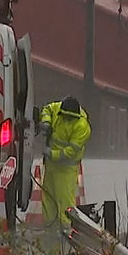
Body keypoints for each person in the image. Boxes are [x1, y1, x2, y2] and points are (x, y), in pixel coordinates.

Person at [38, 96, 91, 227]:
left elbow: (71, 152)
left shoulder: (82, 127)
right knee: (48, 198)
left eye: (69, 118)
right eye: (64, 116)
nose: (66, 119)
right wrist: (46, 122)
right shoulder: (57, 108)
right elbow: (47, 109)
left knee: (65, 202)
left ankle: (65, 231)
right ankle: (49, 228)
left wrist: (51, 153)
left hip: (66, 170)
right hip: (51, 166)